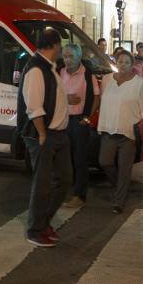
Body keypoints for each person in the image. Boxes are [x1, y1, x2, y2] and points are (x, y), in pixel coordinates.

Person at [20, 29, 71, 247]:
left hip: (58, 134)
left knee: (65, 179)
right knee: (42, 185)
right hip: (45, 135)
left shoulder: (49, 68)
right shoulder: (36, 70)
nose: (62, 50)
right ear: (54, 45)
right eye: (60, 45)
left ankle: (44, 221)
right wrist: (41, 133)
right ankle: (35, 229)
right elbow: (34, 107)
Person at [97, 50, 143, 214]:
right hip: (108, 129)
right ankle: (119, 188)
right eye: (120, 61)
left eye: (126, 62)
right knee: (105, 161)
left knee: (124, 168)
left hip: (129, 133)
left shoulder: (139, 84)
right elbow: (103, 101)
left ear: (132, 65)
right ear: (116, 62)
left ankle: (119, 200)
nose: (122, 65)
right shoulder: (107, 80)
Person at [59, 44, 100, 208]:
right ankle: (66, 192)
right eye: (65, 56)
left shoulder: (87, 74)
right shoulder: (59, 72)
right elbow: (53, 94)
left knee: (79, 159)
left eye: (71, 57)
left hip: (79, 122)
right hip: (62, 121)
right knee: (64, 159)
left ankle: (79, 194)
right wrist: (65, 99)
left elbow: (96, 97)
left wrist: (88, 118)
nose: (67, 60)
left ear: (79, 57)